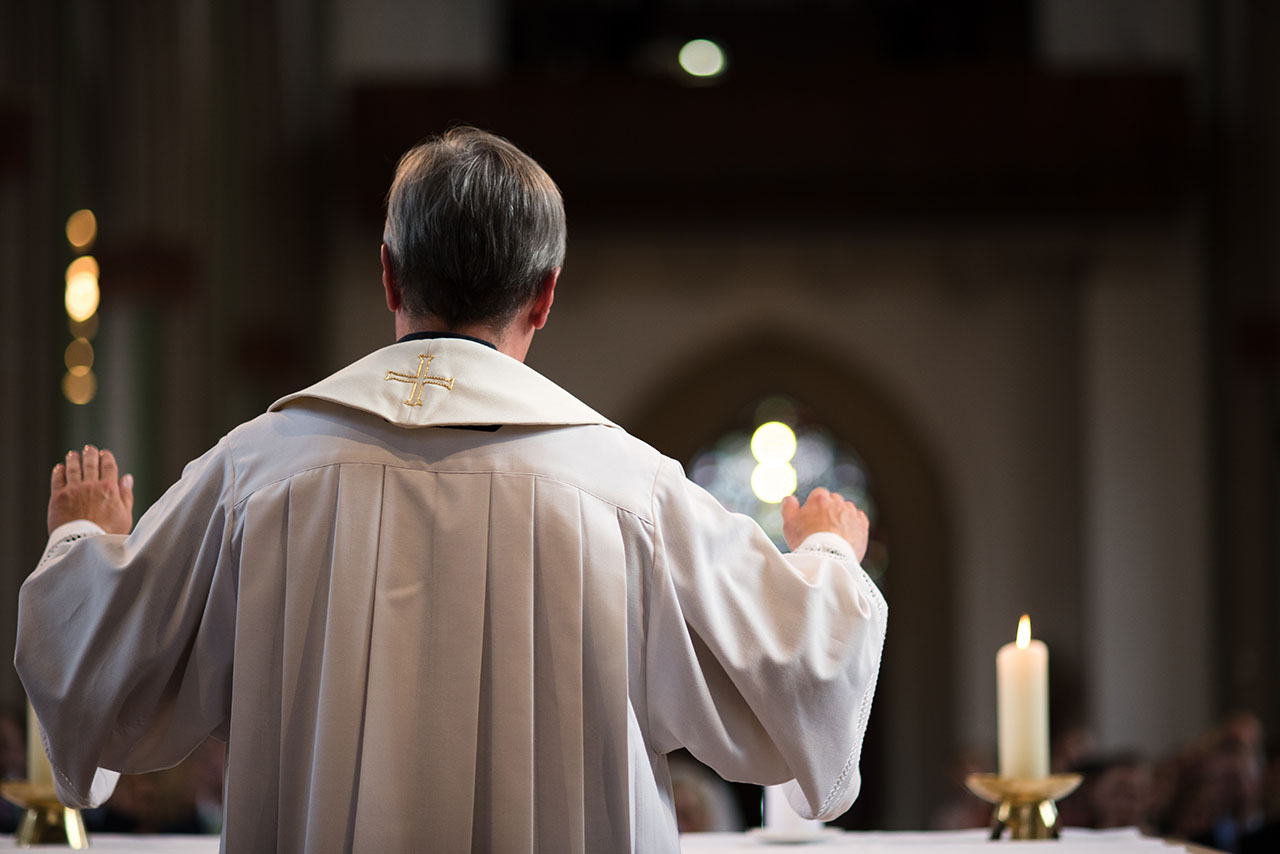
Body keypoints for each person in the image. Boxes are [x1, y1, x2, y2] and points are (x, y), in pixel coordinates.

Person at [16, 127, 887, 852]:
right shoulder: (628, 490)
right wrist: (829, 554)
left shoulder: (258, 474)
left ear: (389, 274)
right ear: (544, 297)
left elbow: (99, 673)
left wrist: (83, 542)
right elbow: (804, 669)